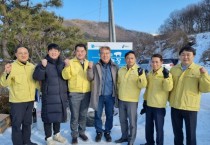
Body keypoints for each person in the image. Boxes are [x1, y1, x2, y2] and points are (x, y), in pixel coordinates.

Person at [169, 45, 210, 145]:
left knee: (191, 135)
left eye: (188, 55)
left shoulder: (199, 70)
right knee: (177, 134)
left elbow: (205, 89)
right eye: (183, 55)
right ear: (179, 56)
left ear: (194, 56)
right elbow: (169, 87)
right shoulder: (174, 69)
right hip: (175, 106)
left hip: (190, 107)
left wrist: (204, 75)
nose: (185, 57)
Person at [0, 46, 38, 145]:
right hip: (17, 102)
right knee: (17, 125)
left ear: (28, 54)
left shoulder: (32, 67)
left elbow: (36, 83)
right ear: (16, 54)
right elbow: (4, 83)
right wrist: (7, 73)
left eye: (25, 52)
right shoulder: (12, 66)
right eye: (20, 53)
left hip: (30, 100)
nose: (23, 55)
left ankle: (27, 141)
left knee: (27, 123)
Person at [33, 43, 68, 145]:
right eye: (51, 50)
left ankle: (57, 135)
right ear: (48, 52)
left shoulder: (62, 64)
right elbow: (37, 77)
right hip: (48, 96)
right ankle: (48, 138)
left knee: (58, 116)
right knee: (48, 118)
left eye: (56, 51)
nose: (54, 52)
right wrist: (43, 67)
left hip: (60, 95)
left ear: (59, 52)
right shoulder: (43, 63)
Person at [87, 46, 118, 142]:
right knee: (98, 115)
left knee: (109, 115)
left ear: (110, 54)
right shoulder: (95, 66)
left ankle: (107, 131)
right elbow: (90, 77)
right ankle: (99, 132)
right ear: (99, 54)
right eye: (103, 53)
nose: (105, 55)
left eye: (107, 53)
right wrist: (89, 68)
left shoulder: (115, 67)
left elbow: (118, 81)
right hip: (99, 95)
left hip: (110, 96)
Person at [140, 54, 173, 145]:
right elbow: (147, 89)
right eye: (153, 62)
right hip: (149, 105)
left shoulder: (166, 73)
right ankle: (149, 142)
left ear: (161, 62)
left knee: (159, 128)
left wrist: (166, 77)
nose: (154, 64)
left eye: (157, 62)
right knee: (148, 127)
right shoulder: (150, 73)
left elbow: (168, 88)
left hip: (159, 106)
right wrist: (145, 102)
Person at [115, 50, 147, 145]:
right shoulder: (121, 70)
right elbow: (118, 84)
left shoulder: (139, 70)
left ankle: (131, 140)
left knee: (132, 122)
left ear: (135, 59)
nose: (130, 60)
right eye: (128, 58)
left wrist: (141, 75)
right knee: (122, 120)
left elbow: (143, 85)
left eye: (132, 58)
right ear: (125, 59)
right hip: (121, 99)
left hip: (132, 100)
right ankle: (124, 137)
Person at [62, 43, 91, 144]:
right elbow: (65, 76)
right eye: (78, 51)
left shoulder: (89, 63)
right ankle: (74, 134)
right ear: (75, 52)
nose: (80, 53)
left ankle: (82, 132)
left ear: (85, 52)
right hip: (74, 93)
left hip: (86, 93)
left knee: (83, 115)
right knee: (75, 115)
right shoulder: (70, 62)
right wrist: (66, 66)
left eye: (82, 51)